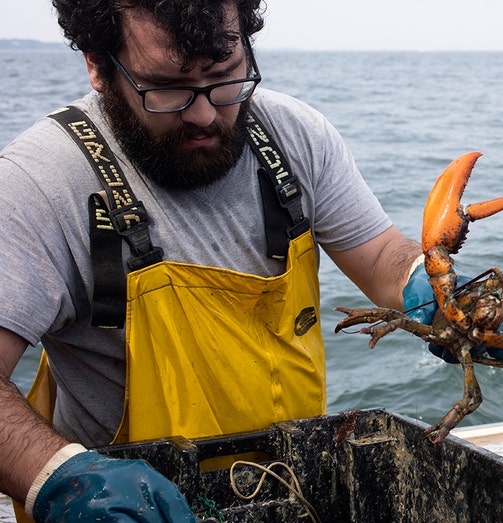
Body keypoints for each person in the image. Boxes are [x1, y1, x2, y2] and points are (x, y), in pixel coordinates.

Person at [0, 1, 455, 520]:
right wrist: (59, 474)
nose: (203, 113)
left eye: (223, 77)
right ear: (98, 67)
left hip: (295, 494)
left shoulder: (294, 137)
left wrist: (428, 284)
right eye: (166, 87)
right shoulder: (37, 184)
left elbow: (379, 258)